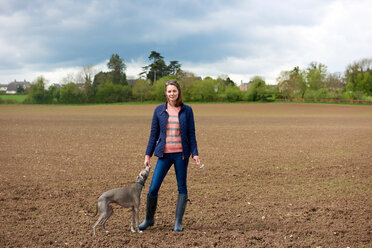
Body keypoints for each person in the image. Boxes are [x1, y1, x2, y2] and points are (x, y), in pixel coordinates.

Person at [139, 80, 200, 232]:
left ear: (178, 92)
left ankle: (178, 222)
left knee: (182, 188)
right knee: (153, 188)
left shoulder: (187, 110)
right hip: (164, 155)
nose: (172, 94)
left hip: (181, 155)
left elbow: (191, 134)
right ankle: (149, 219)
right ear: (165, 93)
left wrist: (195, 153)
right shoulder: (159, 110)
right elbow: (153, 135)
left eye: (174, 91)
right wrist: (148, 155)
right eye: (169, 91)